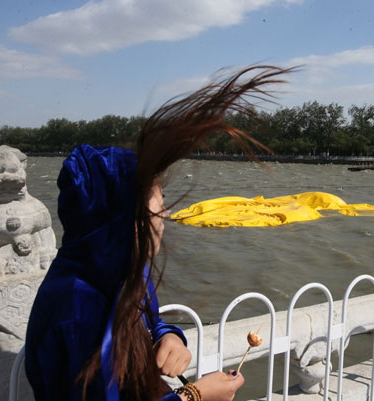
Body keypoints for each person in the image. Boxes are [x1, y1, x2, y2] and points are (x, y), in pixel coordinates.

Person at [24, 66, 293, 401]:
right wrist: (194, 395)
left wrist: (169, 337)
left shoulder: (123, 272)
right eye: (158, 203)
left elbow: (153, 321)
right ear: (123, 218)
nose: (165, 213)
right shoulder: (76, 309)